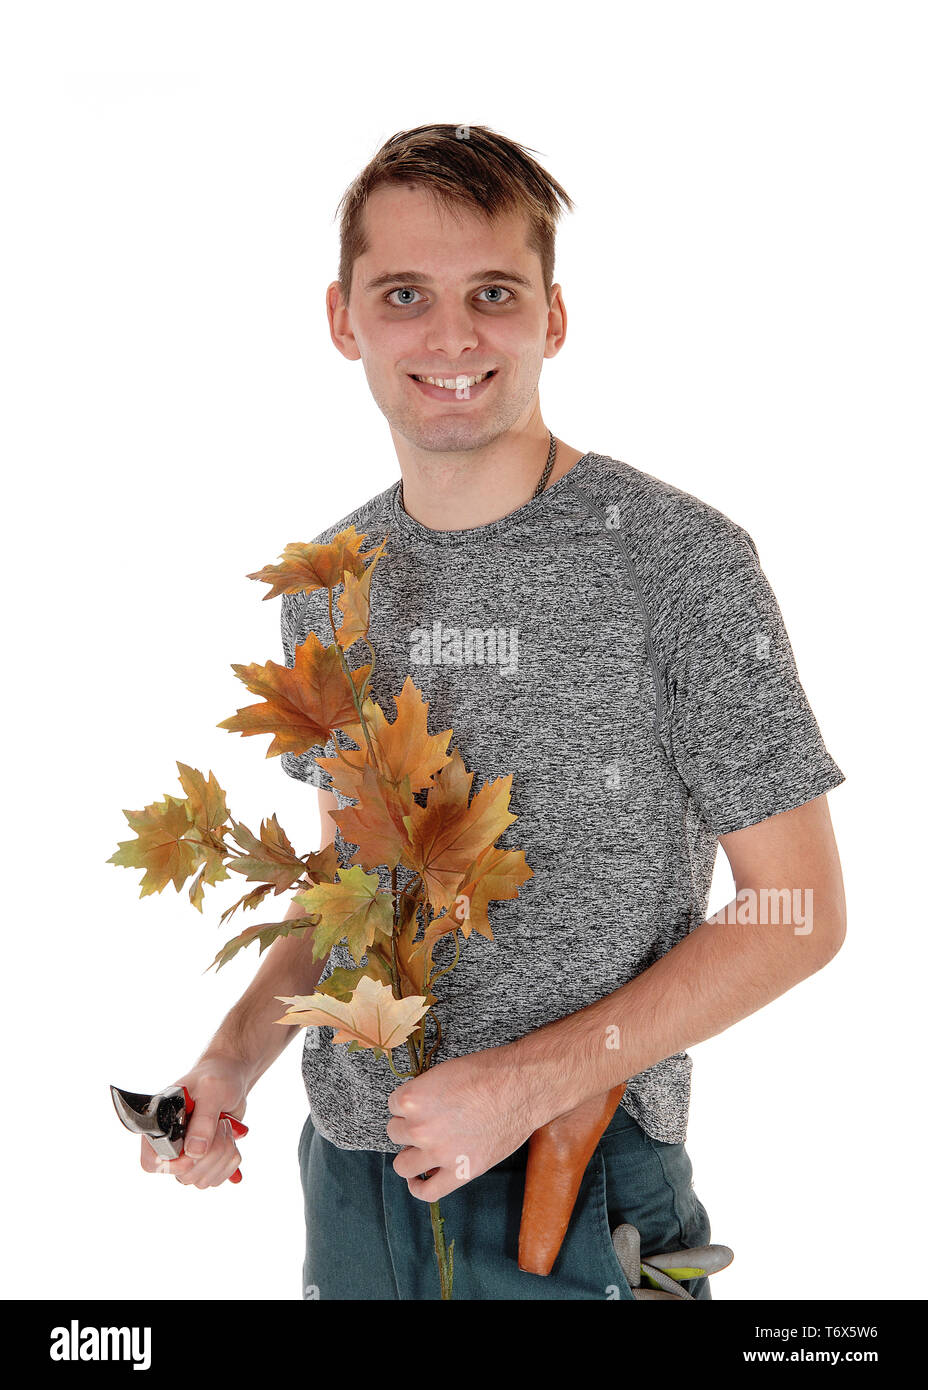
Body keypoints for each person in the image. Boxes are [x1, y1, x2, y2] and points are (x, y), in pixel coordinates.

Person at [141, 124, 846, 1301]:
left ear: (552, 318)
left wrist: (526, 1083)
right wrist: (230, 1061)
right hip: (355, 1187)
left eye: (495, 293)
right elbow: (351, 900)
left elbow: (800, 909)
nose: (452, 336)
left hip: (578, 1186)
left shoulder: (679, 562)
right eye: (405, 294)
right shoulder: (330, 584)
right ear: (342, 317)